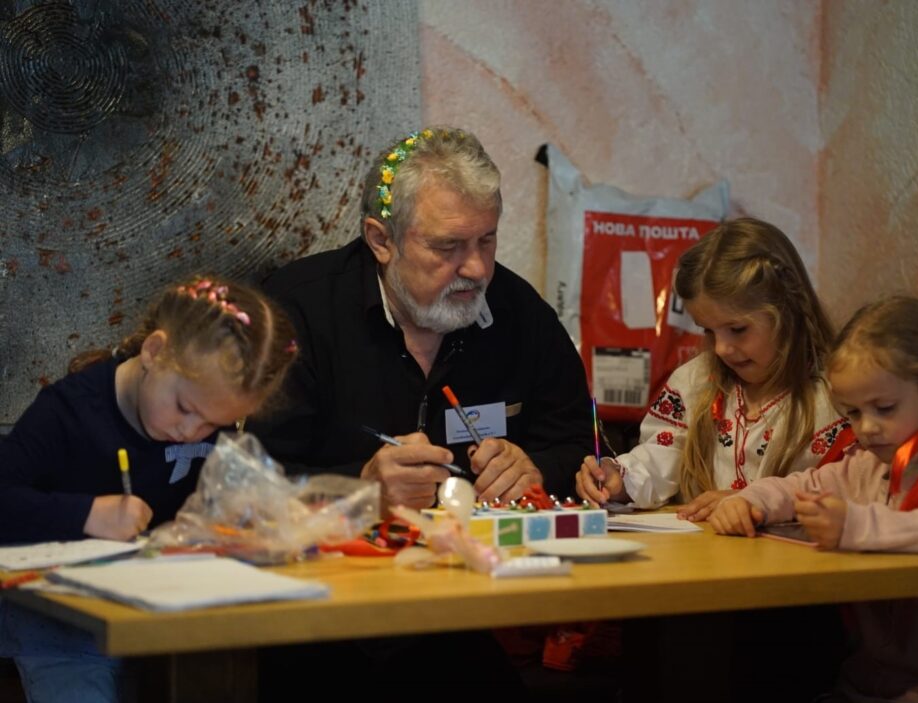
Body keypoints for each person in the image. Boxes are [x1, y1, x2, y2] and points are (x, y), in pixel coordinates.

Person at [250, 127, 593, 508]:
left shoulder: (519, 311)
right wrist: (359, 485)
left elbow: (582, 448)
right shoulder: (297, 313)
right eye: (448, 246)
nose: (478, 269)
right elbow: (241, 479)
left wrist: (536, 470)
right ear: (381, 241)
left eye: (487, 240)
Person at [0, 275, 298, 703]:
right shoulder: (69, 411)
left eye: (214, 424)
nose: (191, 432)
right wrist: (87, 515)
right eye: (184, 408)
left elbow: (207, 506)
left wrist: (237, 513)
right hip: (62, 625)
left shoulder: (203, 416)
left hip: (164, 617)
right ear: (155, 353)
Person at [709, 295, 918, 702]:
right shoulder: (867, 462)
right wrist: (749, 500)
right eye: (853, 413)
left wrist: (859, 525)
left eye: (884, 407)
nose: (867, 428)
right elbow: (800, 485)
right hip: (860, 688)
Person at [576, 217, 853, 516]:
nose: (721, 348)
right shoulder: (695, 382)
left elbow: (855, 489)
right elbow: (662, 454)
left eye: (737, 329)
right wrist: (620, 479)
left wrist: (757, 501)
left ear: (789, 311)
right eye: (708, 331)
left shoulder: (839, 394)